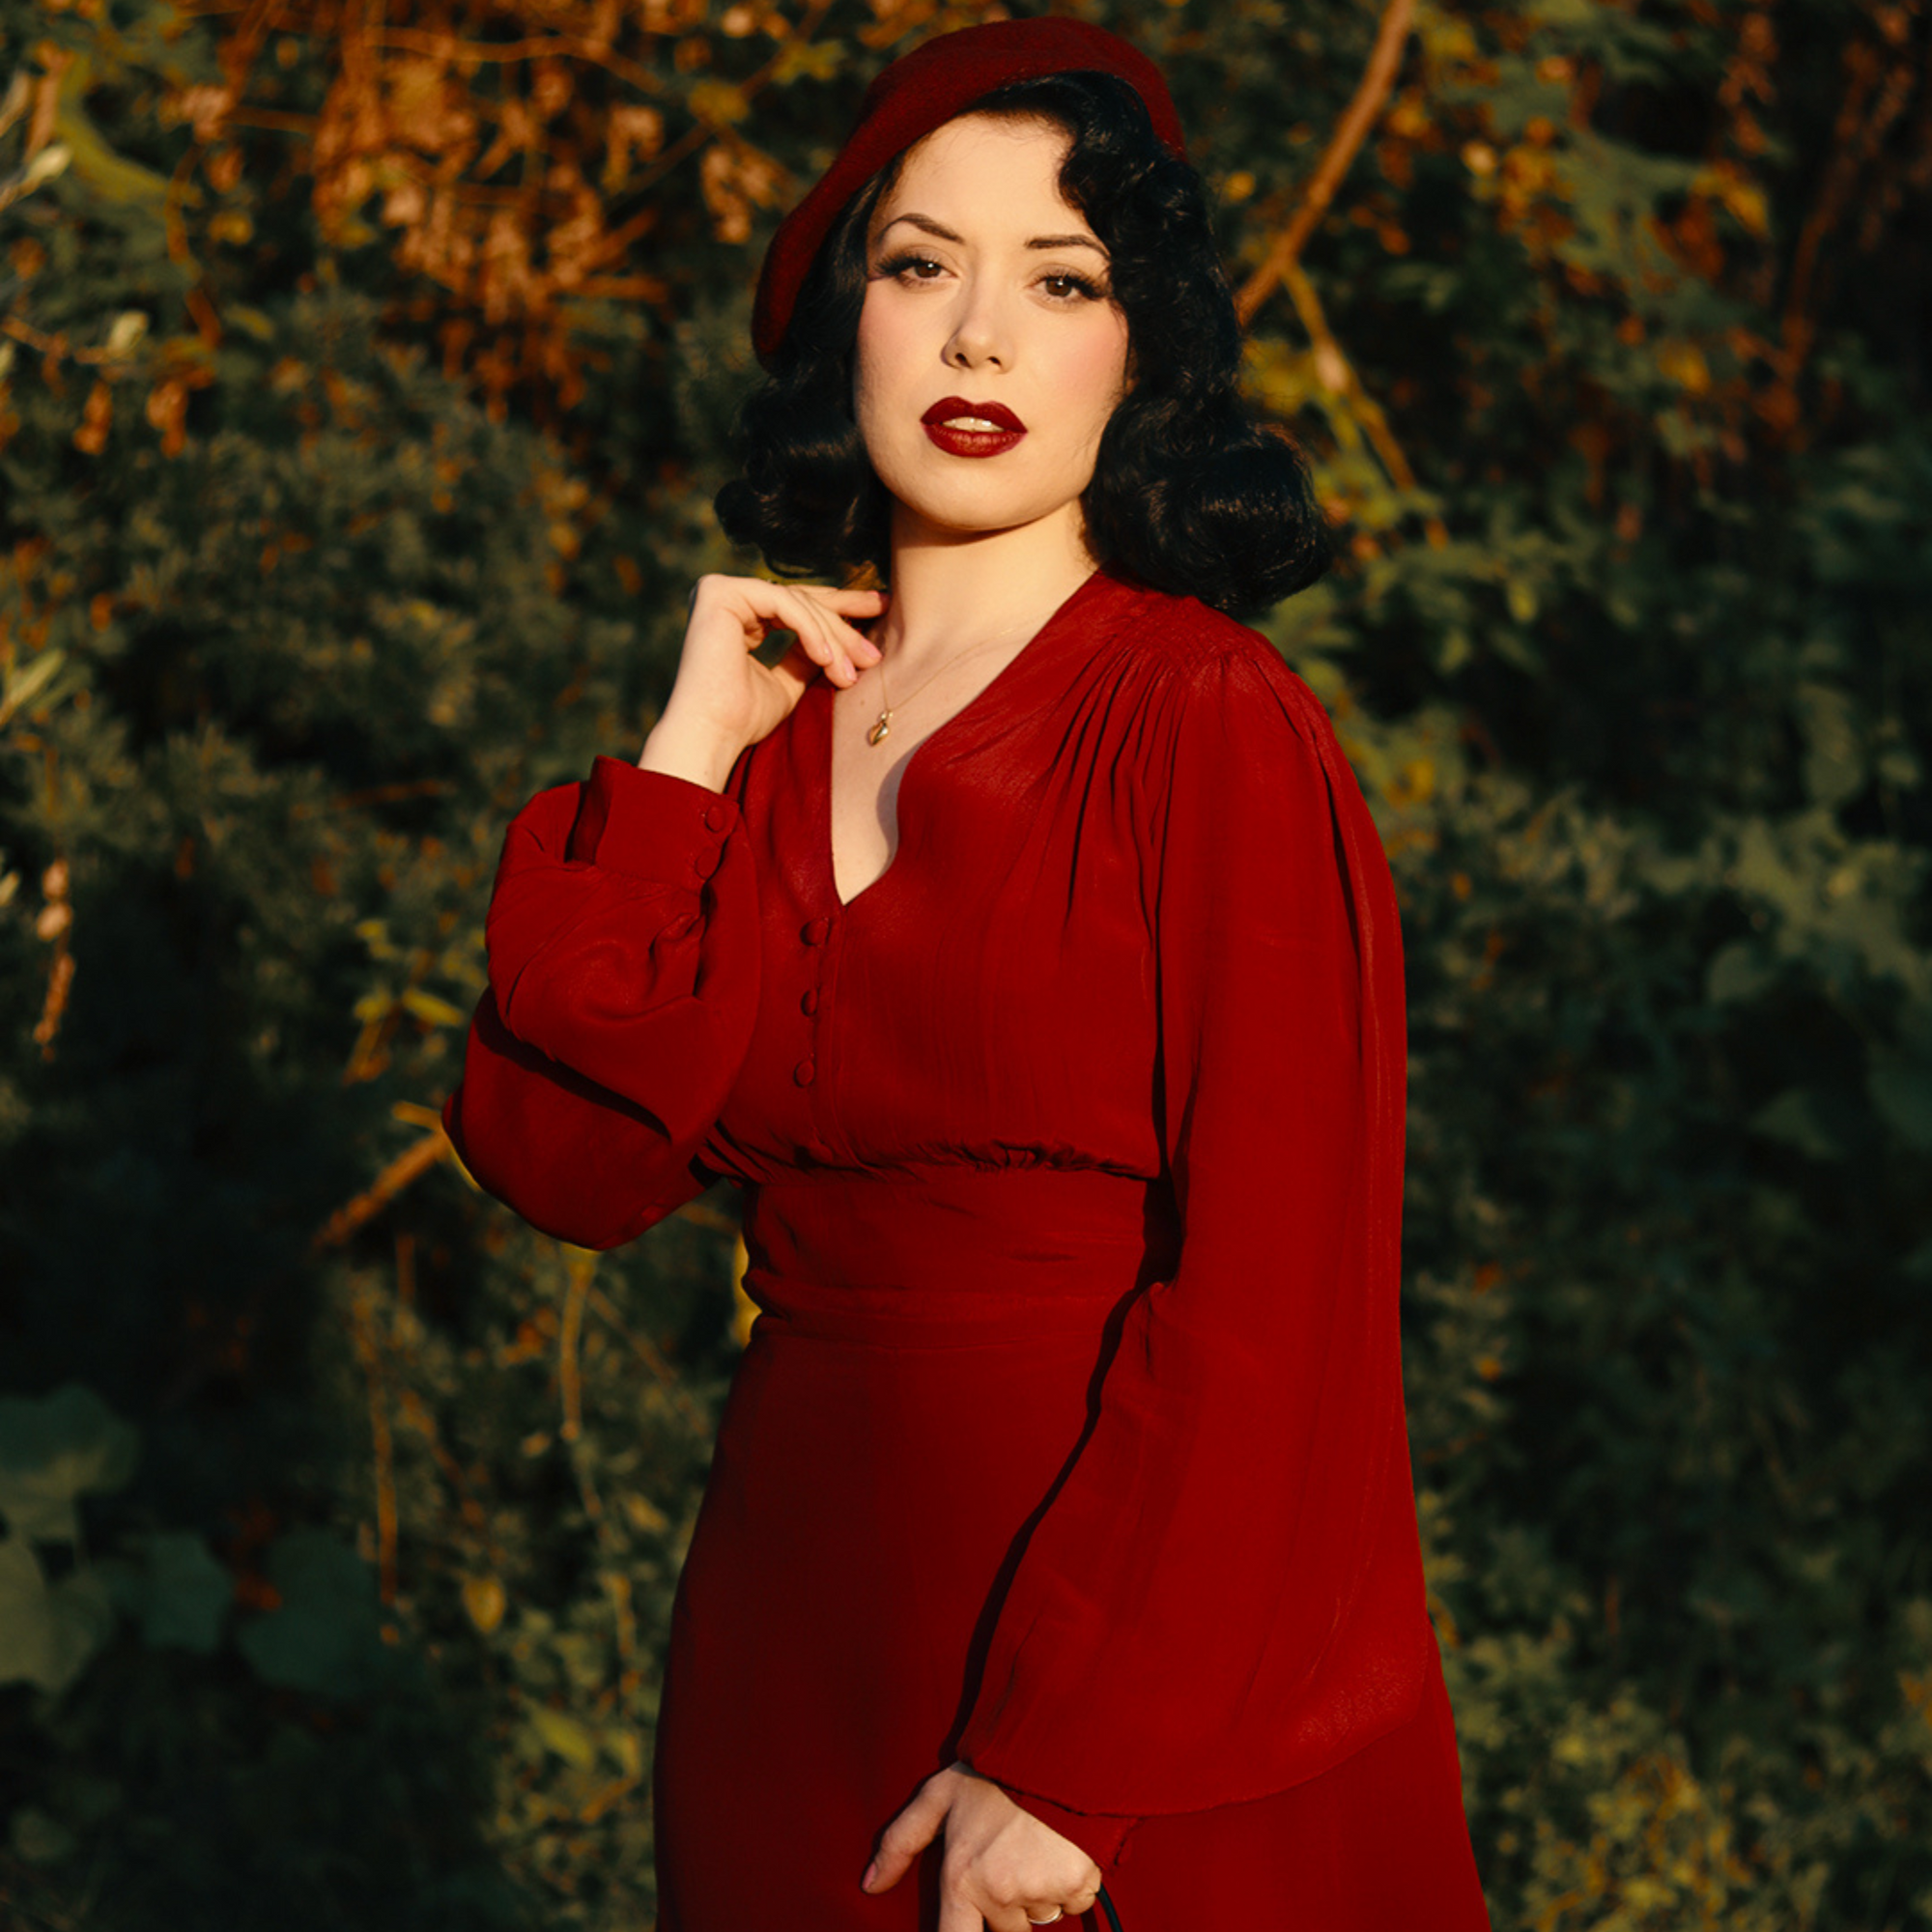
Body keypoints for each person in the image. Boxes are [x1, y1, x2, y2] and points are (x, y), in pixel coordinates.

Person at [443, 16, 1492, 1930]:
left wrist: (1074, 1751)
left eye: (1060, 279)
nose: (977, 338)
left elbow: (1280, 1291)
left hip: (1132, 1680)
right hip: (790, 1643)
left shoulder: (1207, 721)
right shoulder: (759, 750)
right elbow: (559, 1159)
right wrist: (680, 759)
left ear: (1142, 349)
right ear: (843, 316)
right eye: (919, 265)